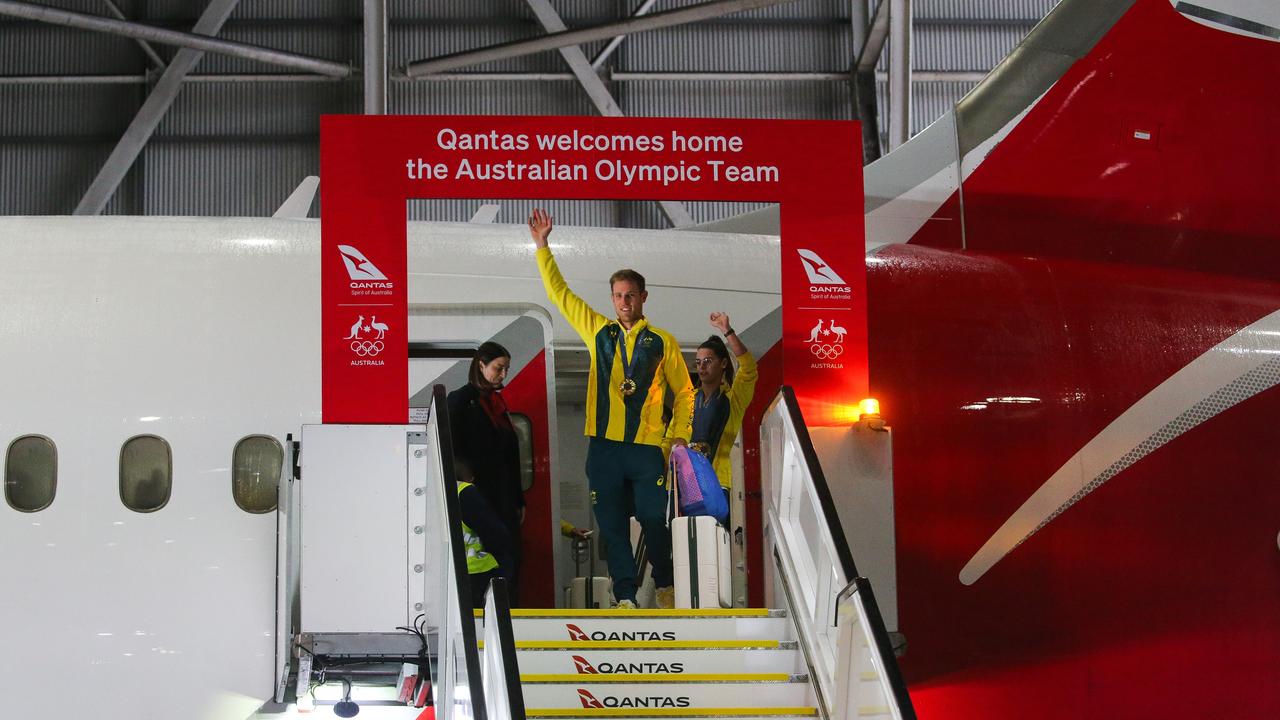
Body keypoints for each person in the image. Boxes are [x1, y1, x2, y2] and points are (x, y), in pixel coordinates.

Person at [527, 208, 694, 610]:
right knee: (612, 526)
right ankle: (624, 595)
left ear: (643, 297)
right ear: (612, 298)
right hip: (603, 447)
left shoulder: (663, 342)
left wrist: (679, 438)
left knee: (654, 518)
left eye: (630, 295)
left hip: (646, 447)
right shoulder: (597, 331)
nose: (623, 302)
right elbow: (560, 295)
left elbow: (685, 393)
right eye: (618, 295)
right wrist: (542, 247)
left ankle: (667, 583)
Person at [447, 342, 525, 602]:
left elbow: (511, 457)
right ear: (481, 365)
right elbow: (451, 449)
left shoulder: (497, 404)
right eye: (498, 368)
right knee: (494, 554)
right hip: (477, 495)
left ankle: (508, 614)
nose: (503, 375)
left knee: (510, 556)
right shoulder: (460, 401)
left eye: (506, 369)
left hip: (502, 495)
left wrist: (518, 499)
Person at [691, 312, 758, 502]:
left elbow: (749, 368)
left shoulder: (733, 399)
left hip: (717, 480)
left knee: (711, 530)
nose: (702, 367)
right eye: (698, 362)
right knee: (684, 531)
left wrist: (727, 331)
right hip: (685, 481)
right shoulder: (687, 400)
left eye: (708, 361)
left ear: (723, 364)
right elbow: (672, 437)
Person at [454, 459, 513, 609]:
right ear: (471, 478)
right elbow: (496, 533)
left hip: (449, 570)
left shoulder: (434, 492)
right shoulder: (465, 491)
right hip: (476, 570)